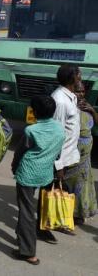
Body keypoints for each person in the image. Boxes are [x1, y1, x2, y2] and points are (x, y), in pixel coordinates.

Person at [11, 96, 65, 266]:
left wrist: (14, 167)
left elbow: (19, 153)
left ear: (34, 112)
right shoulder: (59, 129)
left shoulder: (31, 131)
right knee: (29, 210)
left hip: (27, 174)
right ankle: (23, 239)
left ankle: (28, 252)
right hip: (46, 174)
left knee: (26, 212)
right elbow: (57, 152)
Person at [41, 64, 81, 242]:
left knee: (62, 193)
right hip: (58, 159)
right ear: (72, 77)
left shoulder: (71, 97)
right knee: (48, 192)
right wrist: (58, 165)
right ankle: (41, 227)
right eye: (78, 73)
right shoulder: (60, 100)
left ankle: (58, 221)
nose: (80, 76)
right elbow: (55, 134)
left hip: (70, 156)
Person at [63, 81, 98, 225]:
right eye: (78, 91)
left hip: (85, 156)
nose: (81, 94)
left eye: (83, 91)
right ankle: (66, 211)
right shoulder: (68, 106)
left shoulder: (87, 107)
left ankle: (79, 213)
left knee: (82, 185)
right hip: (72, 151)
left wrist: (93, 111)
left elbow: (96, 123)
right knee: (69, 182)